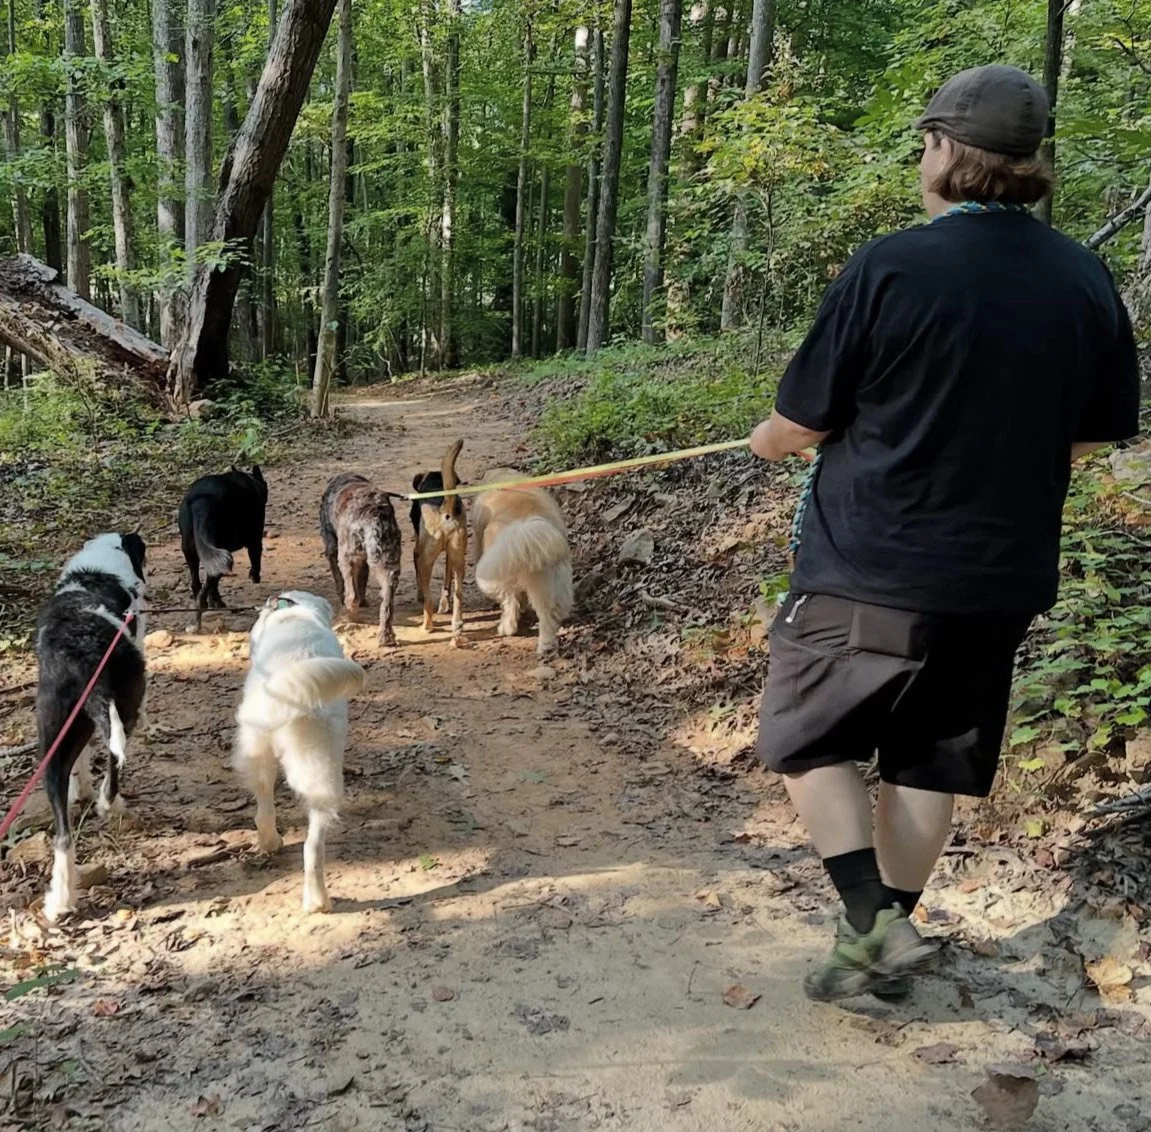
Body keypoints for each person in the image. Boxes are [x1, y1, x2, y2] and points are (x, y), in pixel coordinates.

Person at [748, 63, 1141, 1002]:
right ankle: (887, 940)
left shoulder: (892, 263)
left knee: (800, 737)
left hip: (869, 568)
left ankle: (868, 927)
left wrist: (777, 442)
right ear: (1030, 163)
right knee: (927, 757)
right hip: (999, 576)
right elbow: (1091, 433)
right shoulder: (1082, 276)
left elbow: (796, 427)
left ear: (938, 150)